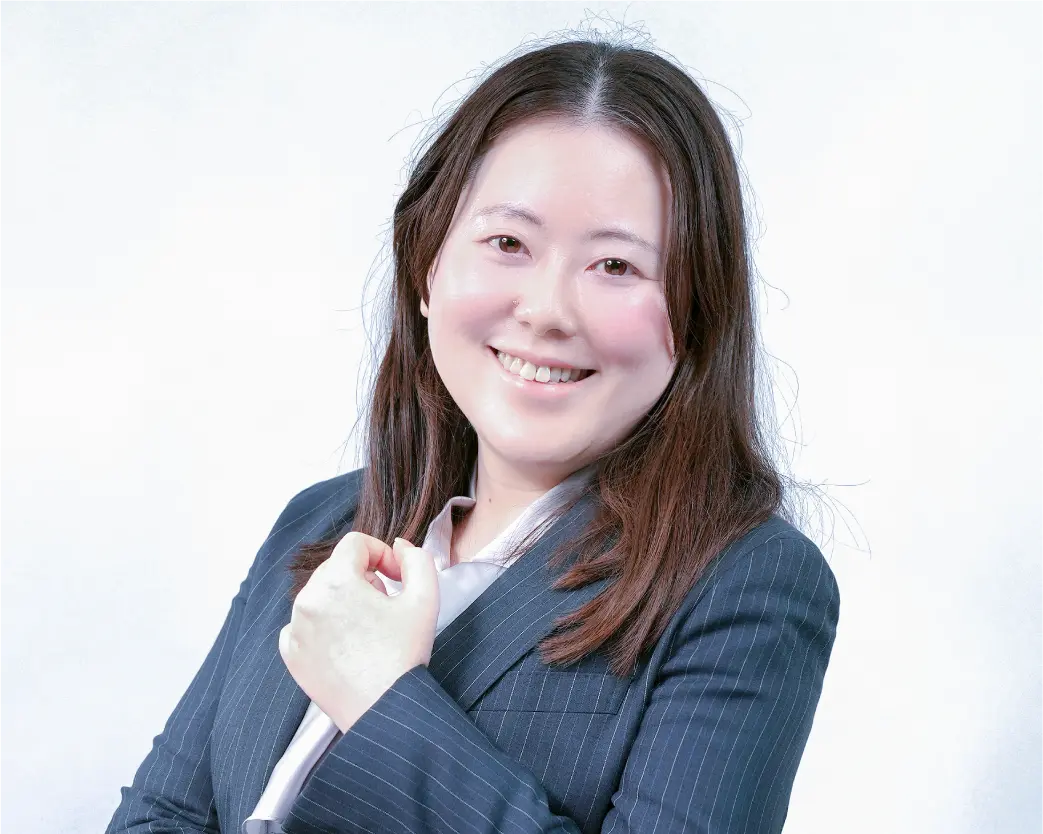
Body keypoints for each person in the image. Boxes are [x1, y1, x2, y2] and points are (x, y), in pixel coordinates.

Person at [105, 34, 840, 834]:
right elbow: (160, 814)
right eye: (507, 244)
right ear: (427, 268)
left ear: (697, 313)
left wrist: (383, 704)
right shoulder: (318, 522)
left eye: (615, 266)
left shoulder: (744, 586)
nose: (547, 310)